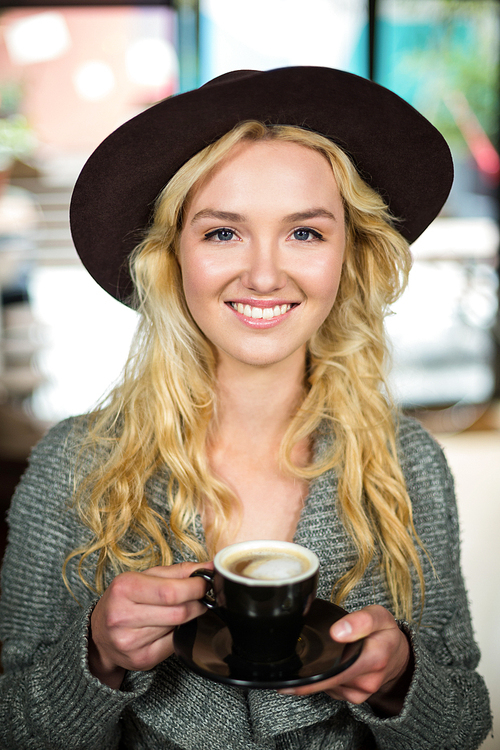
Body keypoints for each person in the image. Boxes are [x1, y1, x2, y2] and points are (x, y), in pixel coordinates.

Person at [0, 67, 491, 749]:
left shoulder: (412, 467)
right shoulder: (72, 467)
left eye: (306, 233)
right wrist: (99, 656)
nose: (264, 274)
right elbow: (14, 726)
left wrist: (401, 677)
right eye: (223, 233)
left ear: (350, 255)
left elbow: (463, 724)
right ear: (172, 256)